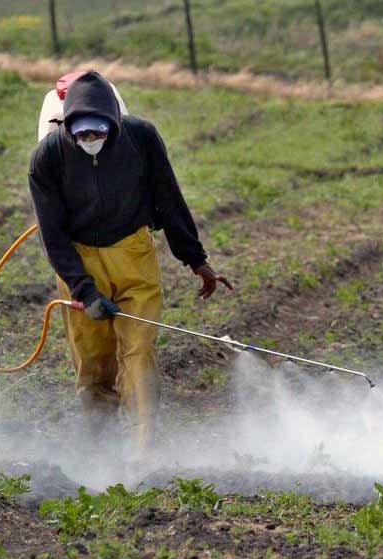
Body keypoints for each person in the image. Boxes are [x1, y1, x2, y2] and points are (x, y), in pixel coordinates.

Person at [28, 70, 232, 459]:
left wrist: (196, 260)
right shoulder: (47, 158)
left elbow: (169, 198)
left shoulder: (142, 139)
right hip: (79, 259)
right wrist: (85, 291)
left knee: (138, 350)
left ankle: (142, 454)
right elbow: (52, 237)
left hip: (133, 254)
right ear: (67, 128)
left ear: (114, 124)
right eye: (82, 135)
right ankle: (102, 451)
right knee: (93, 361)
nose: (91, 141)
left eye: (99, 133)